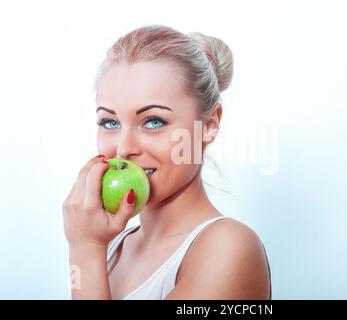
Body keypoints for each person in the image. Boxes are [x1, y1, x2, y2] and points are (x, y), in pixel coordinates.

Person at [62, 24, 271, 300]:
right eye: (110, 122)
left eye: (153, 121)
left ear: (209, 125)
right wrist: (89, 248)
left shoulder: (229, 248)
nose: (123, 149)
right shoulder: (115, 247)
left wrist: (85, 249)